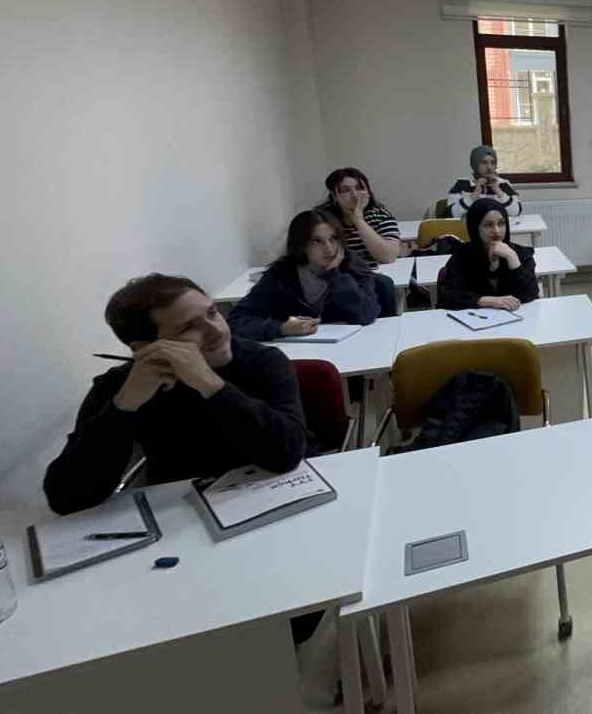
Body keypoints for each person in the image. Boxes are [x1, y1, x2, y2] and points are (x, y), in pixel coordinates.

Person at [45, 274, 309, 515]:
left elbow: (286, 455)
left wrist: (209, 384)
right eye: (188, 328)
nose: (216, 331)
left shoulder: (262, 360)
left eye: (213, 313)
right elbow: (67, 500)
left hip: (275, 493)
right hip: (185, 512)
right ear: (145, 348)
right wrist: (123, 406)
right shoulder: (122, 386)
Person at [228, 209, 382, 341]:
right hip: (298, 353)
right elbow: (236, 321)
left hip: (349, 349)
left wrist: (335, 276)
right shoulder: (281, 274)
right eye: (317, 241)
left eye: (333, 239)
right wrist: (281, 328)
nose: (329, 249)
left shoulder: (354, 268)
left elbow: (367, 314)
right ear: (301, 245)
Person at [438, 198, 539, 311]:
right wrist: (487, 301)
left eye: (501, 223)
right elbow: (448, 296)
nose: (496, 231)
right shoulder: (462, 255)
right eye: (488, 225)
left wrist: (512, 258)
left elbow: (531, 293)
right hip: (475, 319)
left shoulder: (521, 254)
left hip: (516, 317)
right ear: (475, 228)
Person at [317, 167, 401, 266]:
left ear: (367, 192)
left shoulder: (380, 214)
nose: (354, 195)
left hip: (376, 272)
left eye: (359, 188)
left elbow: (388, 257)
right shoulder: (321, 218)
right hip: (339, 272)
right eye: (346, 190)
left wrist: (358, 220)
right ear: (334, 195)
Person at [447, 145, 524, 218]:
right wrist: (474, 194)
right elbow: (452, 214)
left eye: (493, 163)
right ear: (475, 164)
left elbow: (516, 212)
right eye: (484, 163)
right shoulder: (462, 183)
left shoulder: (503, 184)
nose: (489, 167)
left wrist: (498, 191)